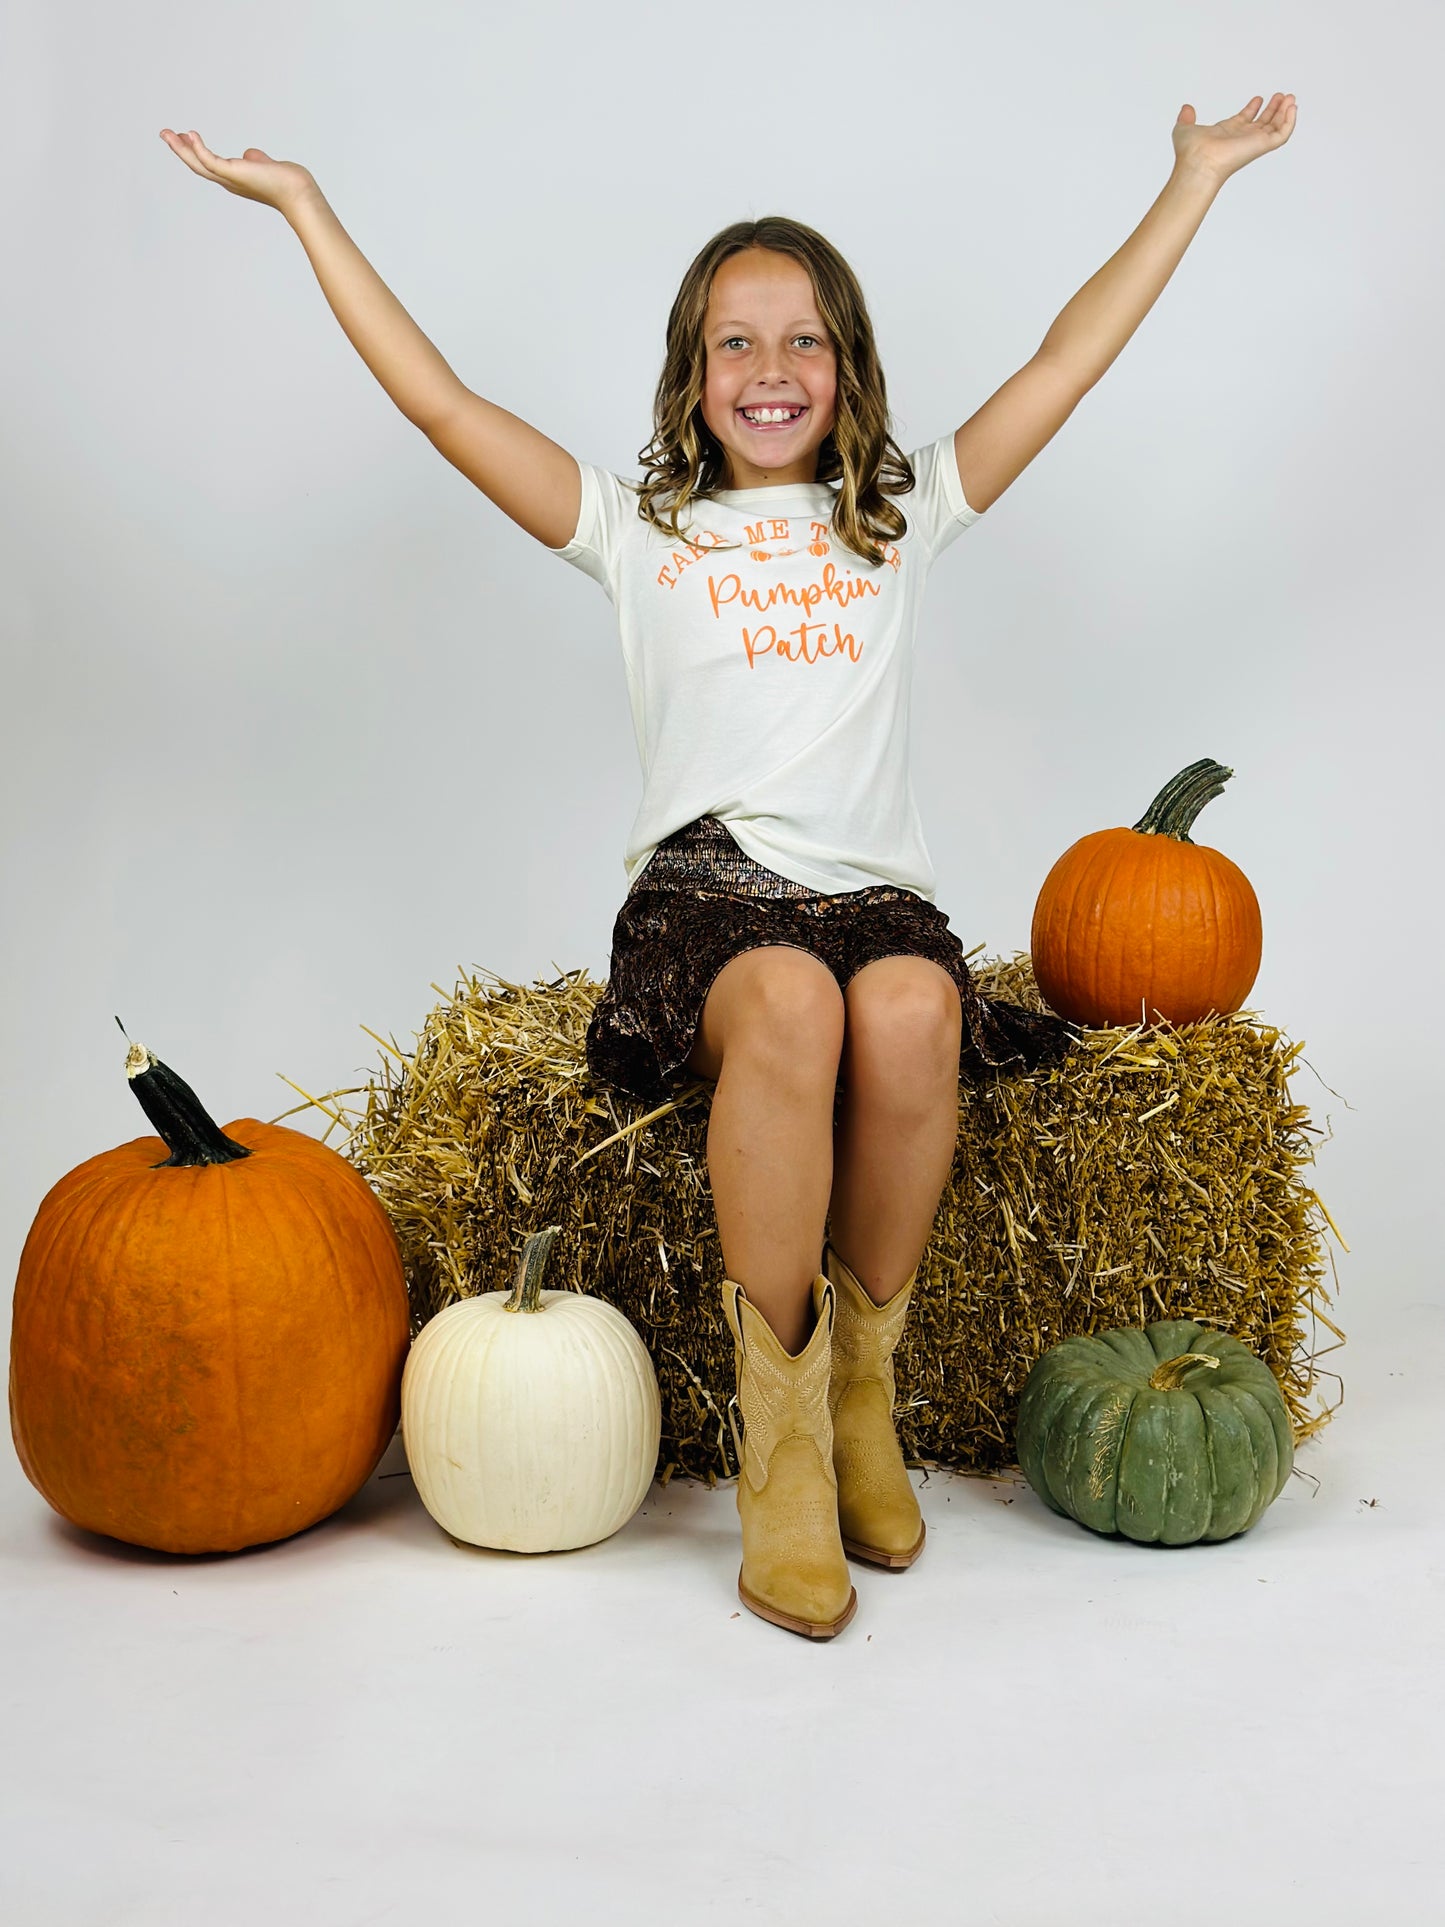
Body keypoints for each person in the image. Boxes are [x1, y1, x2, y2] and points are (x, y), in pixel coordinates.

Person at [158, 93, 1297, 1640]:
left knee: (906, 1012)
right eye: (735, 343)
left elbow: (1065, 360)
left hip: (875, 903)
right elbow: (437, 402)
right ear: (692, 381)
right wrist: (303, 206)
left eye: (805, 339)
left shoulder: (898, 521)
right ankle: (776, 1448)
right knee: (789, 1008)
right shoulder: (642, 534)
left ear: (851, 368)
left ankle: (858, 1403)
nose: (773, 372)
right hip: (707, 905)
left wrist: (1194, 178)